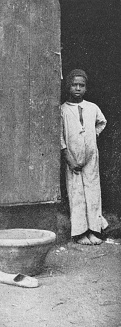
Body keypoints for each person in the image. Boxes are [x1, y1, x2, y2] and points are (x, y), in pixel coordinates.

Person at [61, 69, 108, 245]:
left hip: (91, 158)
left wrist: (92, 136)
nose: (78, 89)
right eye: (74, 85)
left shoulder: (92, 108)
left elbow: (102, 122)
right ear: (68, 87)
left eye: (81, 85)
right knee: (77, 194)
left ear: (86, 88)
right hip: (72, 158)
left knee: (93, 191)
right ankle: (80, 233)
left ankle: (94, 230)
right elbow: (59, 136)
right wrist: (68, 157)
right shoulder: (63, 110)